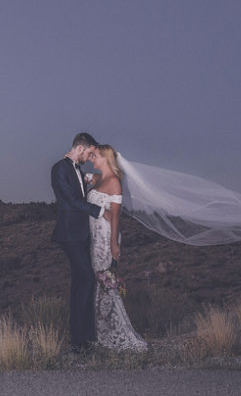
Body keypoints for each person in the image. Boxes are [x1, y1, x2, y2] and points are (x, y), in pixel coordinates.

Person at [85, 144, 148, 351]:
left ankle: (115, 332)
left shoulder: (114, 182)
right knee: (95, 281)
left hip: (105, 236)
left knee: (103, 280)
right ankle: (98, 331)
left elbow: (116, 215)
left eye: (95, 156)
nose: (92, 159)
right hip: (93, 235)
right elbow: (81, 177)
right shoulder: (97, 178)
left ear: (105, 158)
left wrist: (114, 244)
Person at [50, 132, 106, 352]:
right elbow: (70, 201)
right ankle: (80, 339)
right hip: (68, 234)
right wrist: (98, 210)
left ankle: (81, 339)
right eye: (89, 153)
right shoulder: (59, 168)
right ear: (81, 148)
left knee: (81, 283)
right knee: (86, 278)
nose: (89, 157)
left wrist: (94, 180)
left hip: (81, 235)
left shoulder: (78, 170)